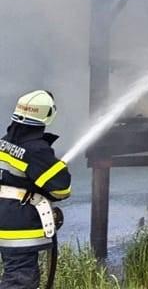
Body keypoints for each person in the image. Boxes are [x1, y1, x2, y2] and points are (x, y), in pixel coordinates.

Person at [0, 90, 71, 288]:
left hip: (6, 218)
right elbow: (61, 189)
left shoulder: (6, 141)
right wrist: (58, 167)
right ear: (47, 115)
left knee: (15, 273)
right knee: (20, 280)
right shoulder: (37, 150)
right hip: (19, 225)